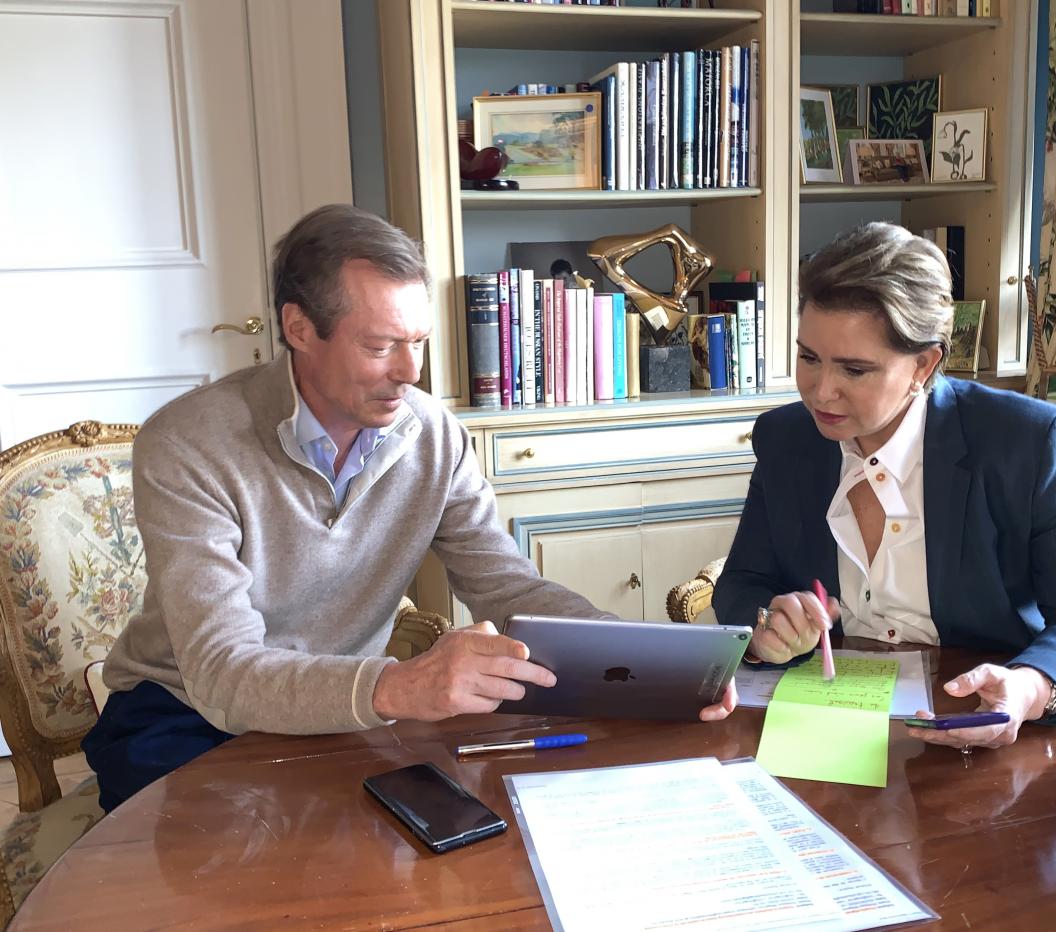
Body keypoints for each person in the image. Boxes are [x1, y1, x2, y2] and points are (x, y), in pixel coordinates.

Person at [84, 205, 735, 812]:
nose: (411, 372)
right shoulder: (189, 443)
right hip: (181, 711)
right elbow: (224, 674)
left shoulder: (434, 434)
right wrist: (400, 686)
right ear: (298, 328)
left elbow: (506, 586)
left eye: (418, 341)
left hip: (344, 699)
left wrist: (650, 667)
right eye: (380, 346)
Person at [713, 222, 1056, 751]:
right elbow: (744, 580)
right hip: (822, 726)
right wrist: (767, 624)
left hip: (973, 722)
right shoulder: (785, 439)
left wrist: (1029, 687)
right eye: (809, 357)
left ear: (924, 364)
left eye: (855, 369)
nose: (821, 391)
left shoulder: (1023, 442)